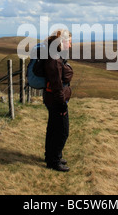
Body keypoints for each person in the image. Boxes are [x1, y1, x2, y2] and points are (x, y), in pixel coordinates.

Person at [43, 29, 73, 172]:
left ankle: (52, 156)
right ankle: (54, 161)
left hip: (53, 99)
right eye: (69, 42)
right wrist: (61, 105)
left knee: (53, 129)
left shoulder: (55, 55)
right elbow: (57, 85)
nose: (71, 45)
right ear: (62, 41)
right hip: (56, 100)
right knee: (62, 131)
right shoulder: (54, 58)